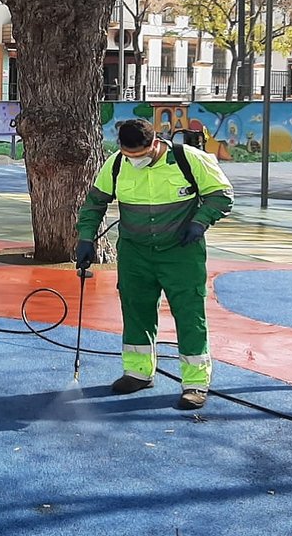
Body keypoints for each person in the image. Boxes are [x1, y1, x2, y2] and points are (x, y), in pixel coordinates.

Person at [75, 118, 234, 409]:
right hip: (135, 254)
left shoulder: (189, 160)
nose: (134, 160)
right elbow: (94, 203)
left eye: (140, 155)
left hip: (181, 253)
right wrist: (86, 238)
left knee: (189, 314)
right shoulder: (116, 164)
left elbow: (222, 196)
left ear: (155, 143)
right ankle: (138, 372)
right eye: (128, 155)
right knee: (136, 309)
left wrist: (200, 222)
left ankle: (195, 383)